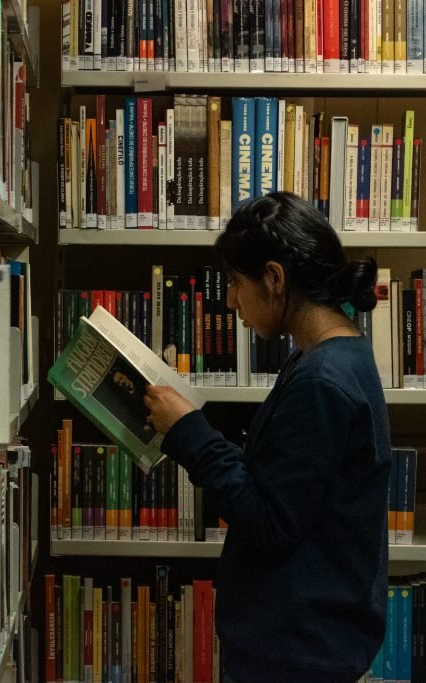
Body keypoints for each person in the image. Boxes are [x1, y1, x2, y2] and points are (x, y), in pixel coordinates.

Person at [144, 192, 391, 683]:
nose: (231, 300)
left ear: (275, 279)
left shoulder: (322, 379)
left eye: (236, 283)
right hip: (307, 642)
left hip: (297, 655)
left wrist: (190, 433)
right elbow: (292, 490)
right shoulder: (334, 355)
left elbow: (271, 523)